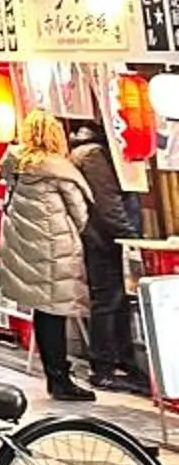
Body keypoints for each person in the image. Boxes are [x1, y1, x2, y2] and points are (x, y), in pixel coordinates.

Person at [0, 108, 95, 401]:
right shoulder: (57, 168)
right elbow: (80, 212)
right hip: (56, 249)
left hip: (26, 248)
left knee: (44, 312)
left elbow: (8, 202)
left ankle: (55, 374)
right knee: (55, 312)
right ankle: (60, 379)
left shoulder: (15, 164)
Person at [66, 118, 146, 392]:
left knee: (115, 299)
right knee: (109, 300)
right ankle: (103, 367)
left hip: (103, 237)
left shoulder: (85, 152)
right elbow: (108, 203)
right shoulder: (95, 156)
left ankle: (122, 361)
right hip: (105, 239)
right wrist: (131, 237)